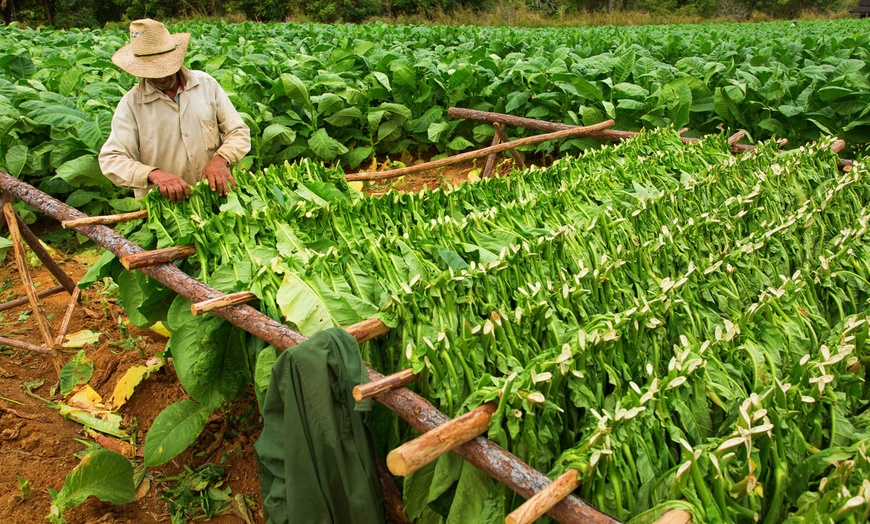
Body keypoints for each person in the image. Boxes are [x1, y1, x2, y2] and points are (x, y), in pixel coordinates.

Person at [99, 19, 251, 202]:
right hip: (166, 209)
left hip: (216, 197)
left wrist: (221, 159)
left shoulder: (206, 85)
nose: (160, 77)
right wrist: (153, 174)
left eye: (164, 68)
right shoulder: (132, 104)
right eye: (151, 71)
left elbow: (238, 132)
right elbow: (112, 159)